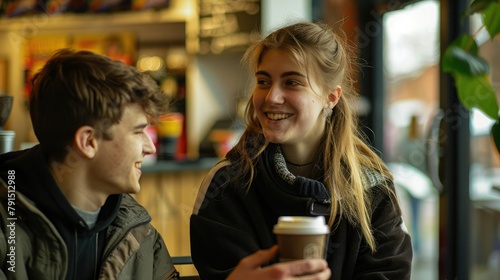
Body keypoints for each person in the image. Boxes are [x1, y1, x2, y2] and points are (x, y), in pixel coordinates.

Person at [0, 48, 331, 280]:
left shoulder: (137, 231)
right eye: (138, 131)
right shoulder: (7, 224)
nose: (148, 147)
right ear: (88, 141)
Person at [190, 21, 413, 279]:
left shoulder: (371, 188)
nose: (272, 97)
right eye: (263, 81)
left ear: (331, 97)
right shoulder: (227, 184)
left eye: (292, 82)